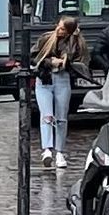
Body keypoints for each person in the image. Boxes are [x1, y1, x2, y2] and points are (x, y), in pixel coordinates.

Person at [33, 10, 84, 168]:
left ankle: (60, 152)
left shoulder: (76, 42)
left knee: (61, 118)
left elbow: (80, 61)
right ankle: (47, 149)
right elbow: (35, 56)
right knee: (47, 115)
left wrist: (65, 60)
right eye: (59, 26)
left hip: (63, 79)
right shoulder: (46, 38)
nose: (59, 30)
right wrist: (50, 62)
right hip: (45, 79)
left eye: (63, 29)